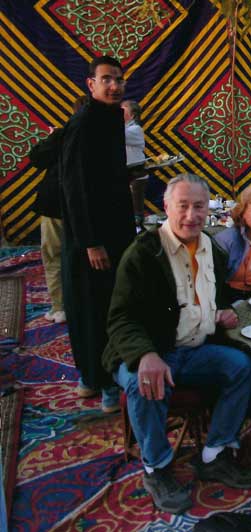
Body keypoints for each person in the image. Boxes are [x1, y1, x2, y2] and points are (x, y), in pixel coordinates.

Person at [103, 174, 251, 514]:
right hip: (150, 351)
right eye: (183, 206)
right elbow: (120, 318)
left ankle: (215, 452)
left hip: (193, 349)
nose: (192, 215)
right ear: (166, 207)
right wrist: (145, 354)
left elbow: (210, 296)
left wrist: (221, 312)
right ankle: (157, 468)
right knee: (146, 382)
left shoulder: (211, 249)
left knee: (242, 368)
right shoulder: (144, 253)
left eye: (199, 207)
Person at [59, 56, 136, 411]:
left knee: (109, 303)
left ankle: (94, 377)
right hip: (92, 239)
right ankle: (100, 381)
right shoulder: (84, 122)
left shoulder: (110, 119)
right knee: (93, 308)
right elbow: (74, 188)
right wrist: (90, 242)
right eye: (106, 79)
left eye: (118, 79)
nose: (114, 86)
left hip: (113, 232)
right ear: (90, 84)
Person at [28, 96, 88, 324]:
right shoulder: (105, 137)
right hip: (85, 205)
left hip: (57, 204)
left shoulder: (64, 134)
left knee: (54, 254)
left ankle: (60, 307)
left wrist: (53, 138)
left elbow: (37, 158)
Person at [121, 100, 149, 228]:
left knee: (136, 210)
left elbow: (120, 135)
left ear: (132, 115)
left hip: (136, 174)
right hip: (126, 173)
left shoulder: (135, 129)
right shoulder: (124, 128)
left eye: (123, 109)